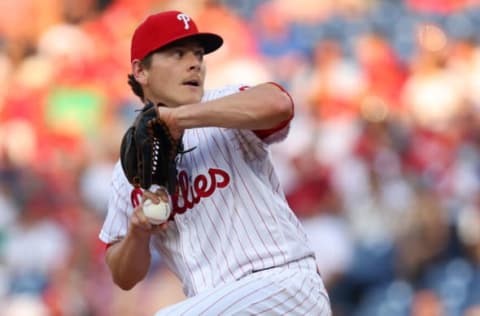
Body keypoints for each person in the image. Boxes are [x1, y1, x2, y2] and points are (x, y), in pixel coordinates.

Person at [99, 10, 331, 315]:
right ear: (141, 71)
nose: (194, 63)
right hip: (217, 303)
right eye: (178, 54)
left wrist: (177, 117)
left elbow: (279, 104)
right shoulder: (128, 170)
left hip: (281, 286)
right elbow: (122, 275)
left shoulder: (226, 106)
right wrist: (137, 233)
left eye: (197, 54)